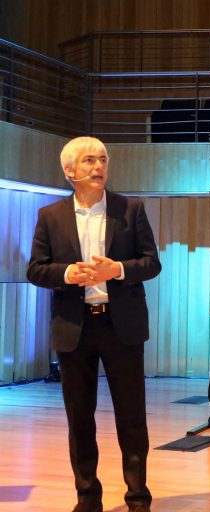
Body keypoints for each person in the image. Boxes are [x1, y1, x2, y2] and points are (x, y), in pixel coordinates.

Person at [26, 136, 161, 512]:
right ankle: (87, 497)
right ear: (70, 171)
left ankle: (137, 498)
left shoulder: (130, 209)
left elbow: (152, 262)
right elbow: (35, 269)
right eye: (89, 160)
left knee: (132, 417)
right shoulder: (50, 216)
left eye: (103, 159)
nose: (99, 166)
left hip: (122, 328)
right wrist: (69, 273)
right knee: (79, 418)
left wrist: (116, 269)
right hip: (75, 328)